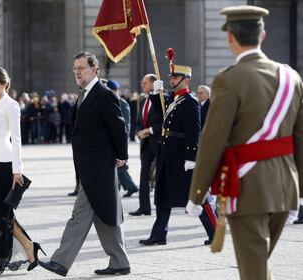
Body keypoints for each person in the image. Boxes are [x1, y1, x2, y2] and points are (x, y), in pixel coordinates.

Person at [186, 5, 303, 280]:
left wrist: (197, 193)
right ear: (262, 34)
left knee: (254, 272)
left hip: (248, 187)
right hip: (285, 188)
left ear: (230, 38)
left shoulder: (229, 79)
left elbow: (212, 140)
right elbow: (299, 138)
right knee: (259, 266)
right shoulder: (292, 78)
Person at [38, 51, 130, 277]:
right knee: (105, 213)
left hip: (98, 167)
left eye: (81, 68)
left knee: (79, 215)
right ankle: (120, 262)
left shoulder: (104, 94)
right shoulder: (85, 94)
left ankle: (60, 261)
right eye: (74, 68)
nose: (77, 72)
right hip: (89, 166)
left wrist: (121, 155)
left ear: (95, 69)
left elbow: (119, 128)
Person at [0, 67, 44, 276]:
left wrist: (17, 170)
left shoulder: (11, 105)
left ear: (5, 84)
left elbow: (17, 139)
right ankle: (30, 248)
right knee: (1, 214)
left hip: (6, 166)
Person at [139, 56, 217, 246]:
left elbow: (193, 131)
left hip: (182, 155)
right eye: (171, 78)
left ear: (186, 80)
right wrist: (156, 93)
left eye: (176, 78)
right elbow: (161, 110)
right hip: (167, 153)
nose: (172, 81)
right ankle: (159, 234)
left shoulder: (189, 101)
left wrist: (192, 157)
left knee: (197, 196)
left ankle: (216, 232)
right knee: (162, 195)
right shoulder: (176, 99)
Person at [129, 74, 163, 216]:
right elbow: (138, 121)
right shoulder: (142, 101)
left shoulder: (162, 99)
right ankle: (144, 207)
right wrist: (138, 132)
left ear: (153, 84)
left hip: (158, 142)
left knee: (161, 176)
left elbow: (165, 121)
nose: (142, 85)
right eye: (142, 83)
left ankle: (162, 206)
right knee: (144, 176)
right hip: (145, 144)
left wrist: (149, 130)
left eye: (145, 83)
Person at [106, 79, 139, 197]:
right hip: (112, 139)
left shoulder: (122, 103)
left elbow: (125, 125)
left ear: (114, 90)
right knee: (117, 165)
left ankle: (131, 186)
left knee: (120, 165)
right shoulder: (111, 101)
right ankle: (120, 187)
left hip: (119, 140)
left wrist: (122, 142)